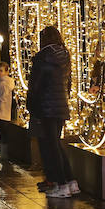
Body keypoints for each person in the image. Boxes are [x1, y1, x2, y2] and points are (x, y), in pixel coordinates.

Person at [29, 26, 77, 198]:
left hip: (46, 106)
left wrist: (32, 105)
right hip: (61, 105)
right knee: (56, 144)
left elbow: (36, 84)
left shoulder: (42, 57)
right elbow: (68, 82)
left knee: (51, 146)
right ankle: (71, 182)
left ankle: (61, 184)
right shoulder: (65, 55)